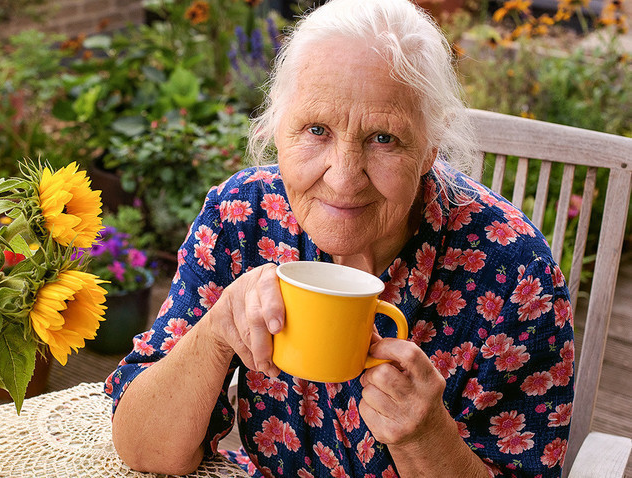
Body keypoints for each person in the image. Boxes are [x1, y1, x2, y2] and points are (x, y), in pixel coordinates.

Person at [105, 0, 575, 476]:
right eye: (316, 129)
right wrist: (216, 331)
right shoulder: (242, 216)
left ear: (431, 146)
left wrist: (425, 436)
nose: (345, 178)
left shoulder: (515, 273)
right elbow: (145, 449)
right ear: (276, 126)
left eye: (384, 138)